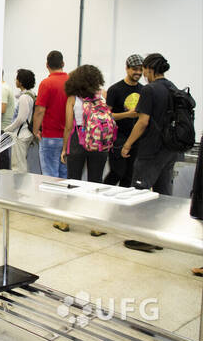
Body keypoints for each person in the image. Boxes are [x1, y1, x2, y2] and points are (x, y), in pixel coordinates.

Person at [121, 53, 178, 252]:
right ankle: (160, 237)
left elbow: (143, 122)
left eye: (144, 69)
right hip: (170, 150)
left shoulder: (150, 89)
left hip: (151, 150)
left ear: (150, 69)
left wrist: (127, 144)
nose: (143, 73)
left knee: (140, 192)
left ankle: (142, 238)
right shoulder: (172, 88)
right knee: (163, 194)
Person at [59, 65, 111, 235]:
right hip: (98, 142)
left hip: (78, 141)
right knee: (96, 182)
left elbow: (68, 126)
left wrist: (64, 148)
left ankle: (66, 221)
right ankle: (96, 226)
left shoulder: (73, 99)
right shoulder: (102, 95)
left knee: (73, 181)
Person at [103, 54, 144, 187]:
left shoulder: (144, 90)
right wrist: (127, 114)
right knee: (117, 172)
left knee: (129, 175)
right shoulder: (115, 89)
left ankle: (122, 199)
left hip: (136, 138)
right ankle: (104, 195)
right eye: (135, 69)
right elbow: (106, 115)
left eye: (141, 69)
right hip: (117, 138)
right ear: (127, 68)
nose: (138, 72)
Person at [33, 50, 69, 179]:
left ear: (47, 65)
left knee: (50, 177)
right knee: (64, 177)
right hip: (69, 137)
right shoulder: (71, 82)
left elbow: (40, 111)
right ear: (63, 63)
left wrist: (35, 130)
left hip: (50, 136)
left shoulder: (46, 84)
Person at [4, 69, 36, 173]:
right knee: (22, 162)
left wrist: (8, 129)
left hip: (21, 134)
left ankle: (20, 184)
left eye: (17, 79)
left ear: (21, 82)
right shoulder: (31, 95)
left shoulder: (24, 98)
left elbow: (21, 118)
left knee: (18, 166)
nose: (15, 80)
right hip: (27, 133)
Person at [0, 70, 15, 169]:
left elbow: (2, 109)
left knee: (2, 158)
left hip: (3, 128)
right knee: (3, 157)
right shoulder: (4, 87)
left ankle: (3, 178)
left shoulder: (2, 89)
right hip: (4, 128)